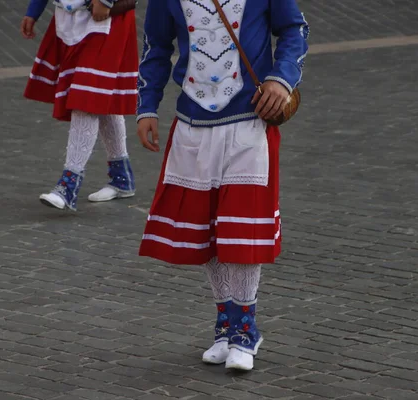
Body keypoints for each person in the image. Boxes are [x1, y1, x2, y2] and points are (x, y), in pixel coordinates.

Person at [136, 0, 309, 371]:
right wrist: (147, 106)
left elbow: (294, 29)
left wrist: (282, 78)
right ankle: (227, 324)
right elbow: (157, 46)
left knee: (240, 228)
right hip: (192, 124)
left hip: (248, 120)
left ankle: (245, 329)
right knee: (206, 226)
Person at [21, 0, 138, 211]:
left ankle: (68, 184)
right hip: (71, 16)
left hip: (105, 18)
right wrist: (34, 10)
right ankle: (122, 178)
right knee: (97, 94)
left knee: (87, 96)